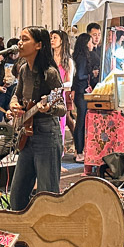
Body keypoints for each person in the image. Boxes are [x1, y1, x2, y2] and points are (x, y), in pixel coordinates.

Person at [7, 27, 66, 212]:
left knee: (47, 194)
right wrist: (14, 106)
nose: (20, 43)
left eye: (25, 39)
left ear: (39, 45)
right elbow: (16, 96)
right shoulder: (24, 70)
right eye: (20, 39)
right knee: (17, 195)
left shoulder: (50, 73)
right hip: (27, 136)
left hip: (47, 135)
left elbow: (62, 108)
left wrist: (49, 107)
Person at [50, 29, 74, 160]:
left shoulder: (67, 61)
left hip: (60, 97)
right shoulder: (48, 59)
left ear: (62, 41)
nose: (52, 40)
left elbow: (69, 82)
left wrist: (59, 86)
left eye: (55, 37)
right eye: (51, 38)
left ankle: (59, 158)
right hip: (47, 96)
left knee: (60, 128)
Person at [71, 32, 93, 163]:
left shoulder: (79, 56)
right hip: (81, 91)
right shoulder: (82, 58)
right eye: (90, 41)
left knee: (81, 121)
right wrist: (90, 74)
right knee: (81, 121)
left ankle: (79, 150)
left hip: (79, 91)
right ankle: (79, 151)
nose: (92, 44)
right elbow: (79, 75)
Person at [86, 22, 103, 88]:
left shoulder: (101, 50)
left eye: (99, 35)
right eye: (94, 35)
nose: (97, 37)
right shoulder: (85, 52)